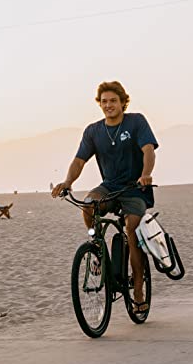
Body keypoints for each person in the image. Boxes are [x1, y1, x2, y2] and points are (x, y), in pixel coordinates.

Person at [51, 81, 158, 314]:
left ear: (122, 102)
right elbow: (79, 160)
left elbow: (148, 150)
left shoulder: (136, 122)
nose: (108, 105)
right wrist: (67, 183)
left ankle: (138, 289)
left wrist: (146, 174)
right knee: (89, 206)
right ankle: (98, 250)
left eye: (113, 101)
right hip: (109, 187)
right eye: (104, 101)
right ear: (99, 104)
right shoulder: (93, 131)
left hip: (135, 188)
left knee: (132, 229)